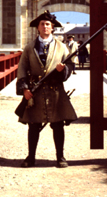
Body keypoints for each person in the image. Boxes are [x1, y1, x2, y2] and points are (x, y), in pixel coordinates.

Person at [16, 10, 77, 168]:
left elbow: (70, 65)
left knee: (58, 125)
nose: (45, 26)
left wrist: (62, 70)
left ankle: (60, 157)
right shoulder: (29, 48)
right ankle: (30, 157)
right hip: (35, 92)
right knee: (33, 125)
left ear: (52, 27)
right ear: (38, 27)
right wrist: (24, 89)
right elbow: (22, 68)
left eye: (47, 24)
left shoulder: (62, 47)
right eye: (42, 24)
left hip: (55, 91)